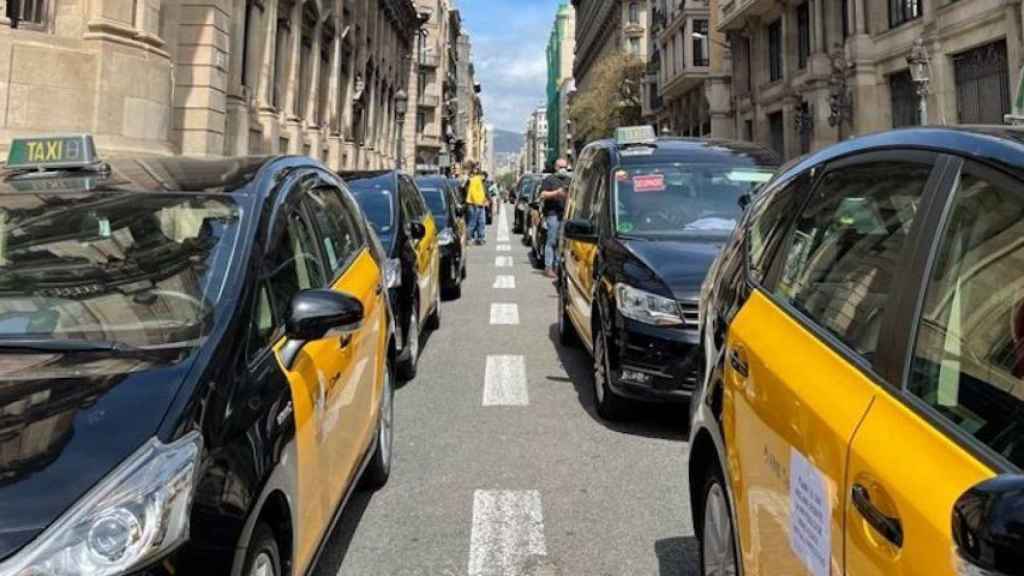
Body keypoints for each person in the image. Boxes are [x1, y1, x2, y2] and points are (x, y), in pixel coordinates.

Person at [538, 158, 572, 278]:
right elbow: (542, 195)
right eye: (560, 167)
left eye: (564, 167)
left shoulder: (570, 180)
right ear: (556, 167)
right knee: (551, 241)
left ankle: (558, 267)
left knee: (562, 242)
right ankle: (548, 267)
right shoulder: (549, 180)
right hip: (552, 214)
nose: (563, 169)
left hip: (566, 214)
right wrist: (556, 193)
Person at [465, 165, 489, 245]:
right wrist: (476, 203)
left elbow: (482, 193)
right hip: (473, 205)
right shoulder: (474, 180)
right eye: (484, 176)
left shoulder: (480, 181)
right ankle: (468, 238)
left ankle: (480, 238)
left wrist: (485, 200)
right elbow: (472, 192)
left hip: (480, 205)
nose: (484, 178)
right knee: (472, 223)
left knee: (481, 222)